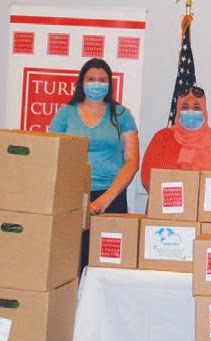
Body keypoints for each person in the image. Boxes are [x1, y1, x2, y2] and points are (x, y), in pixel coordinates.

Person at [50, 58, 139, 271]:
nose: (96, 83)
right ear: (82, 82)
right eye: (91, 79)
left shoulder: (122, 115)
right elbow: (52, 154)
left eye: (102, 79)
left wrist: (105, 199)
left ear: (109, 84)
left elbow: (132, 161)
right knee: (72, 265)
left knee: (108, 265)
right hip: (72, 197)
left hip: (112, 198)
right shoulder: (66, 113)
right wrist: (78, 197)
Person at [141, 85, 211, 191]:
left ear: (204, 110)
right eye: (185, 107)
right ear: (178, 110)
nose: (190, 112)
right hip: (168, 204)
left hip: (205, 206)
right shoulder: (163, 137)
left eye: (196, 108)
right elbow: (148, 177)